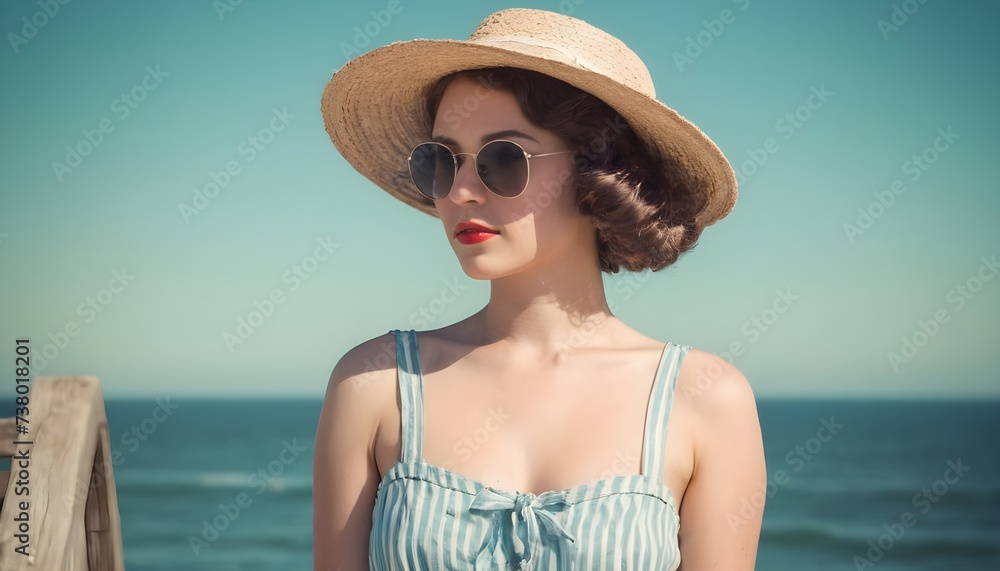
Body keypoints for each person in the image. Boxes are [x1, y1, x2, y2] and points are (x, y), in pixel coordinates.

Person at [313, 8, 765, 570]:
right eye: (441, 161)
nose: (461, 191)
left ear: (597, 173)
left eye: (503, 158)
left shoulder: (705, 399)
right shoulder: (375, 383)